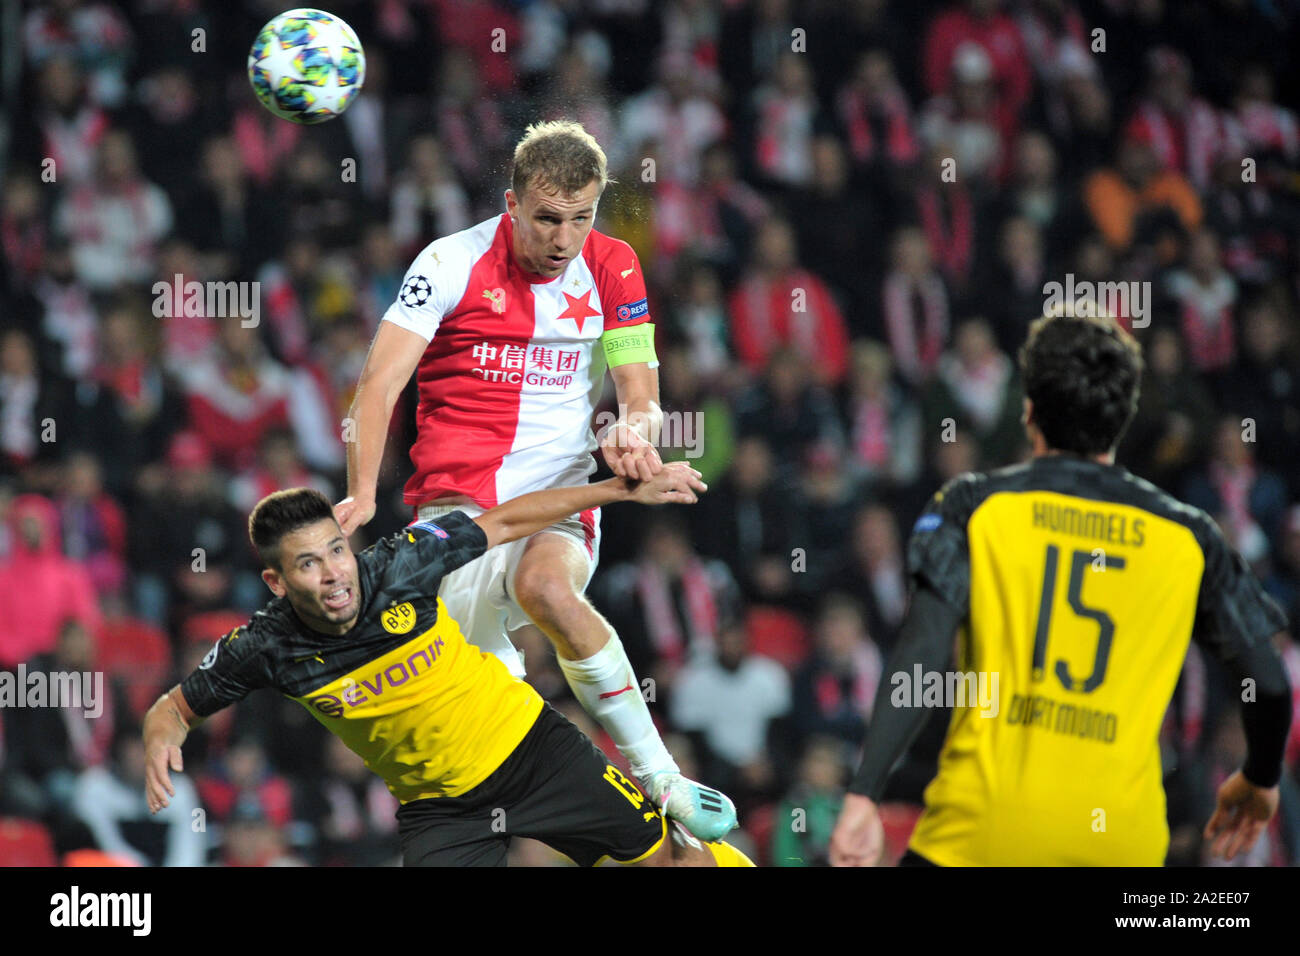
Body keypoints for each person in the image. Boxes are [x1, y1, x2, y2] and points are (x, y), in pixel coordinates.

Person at [333, 119, 736, 839]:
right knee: (474, 723)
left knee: (546, 588)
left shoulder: (614, 266)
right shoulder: (449, 262)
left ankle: (660, 778)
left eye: (580, 218)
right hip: (458, 510)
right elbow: (379, 382)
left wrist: (633, 440)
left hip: (560, 494)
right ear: (513, 203)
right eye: (547, 218)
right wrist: (363, 491)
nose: (563, 238)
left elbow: (641, 397)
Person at [830, 308, 1292, 866]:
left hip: (984, 835)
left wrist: (865, 793)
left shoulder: (974, 506)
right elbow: (1267, 682)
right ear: (1124, 415)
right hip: (1121, 846)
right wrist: (1260, 778)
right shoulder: (1189, 535)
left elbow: (921, 655)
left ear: (1029, 410)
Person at [143, 468, 751, 866]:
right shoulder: (265, 647)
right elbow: (172, 709)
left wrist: (620, 490)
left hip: (532, 750)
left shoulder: (400, 565)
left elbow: (509, 518)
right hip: (439, 808)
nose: (333, 574)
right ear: (276, 581)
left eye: (336, 549)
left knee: (670, 862)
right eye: (308, 564)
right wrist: (161, 741)